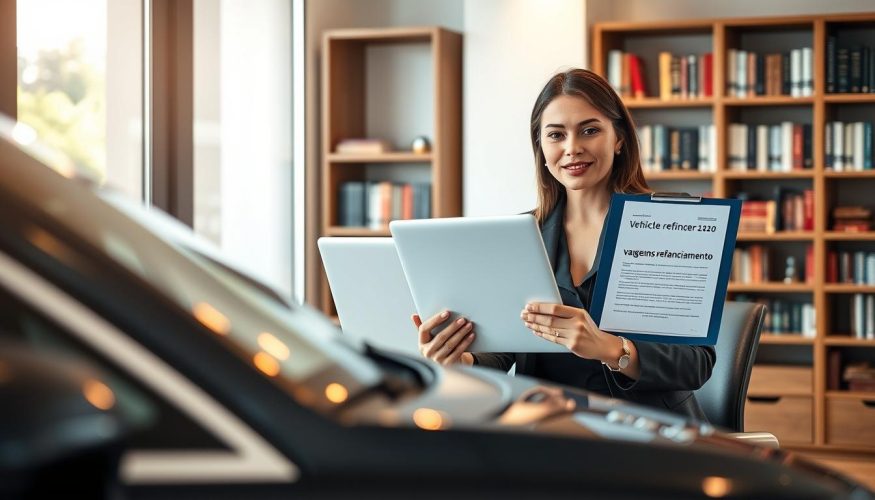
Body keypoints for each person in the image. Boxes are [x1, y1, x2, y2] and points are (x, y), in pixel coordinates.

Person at [412, 68, 715, 420]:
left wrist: (610, 348)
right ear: (541, 148)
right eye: (556, 135)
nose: (573, 148)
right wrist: (461, 358)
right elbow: (506, 349)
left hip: (650, 430)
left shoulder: (671, 222)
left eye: (590, 130)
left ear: (618, 138)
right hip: (550, 428)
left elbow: (697, 363)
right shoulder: (519, 235)